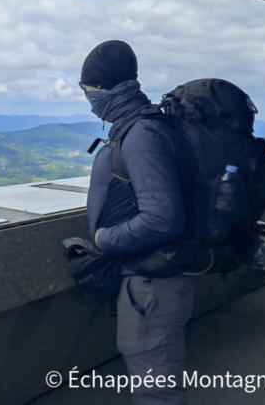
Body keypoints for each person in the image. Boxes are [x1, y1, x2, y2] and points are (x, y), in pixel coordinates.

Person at [80, 40, 194, 405]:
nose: (88, 99)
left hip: (152, 287)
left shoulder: (142, 134)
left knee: (156, 393)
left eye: (87, 89)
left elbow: (162, 218)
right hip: (149, 283)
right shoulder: (137, 125)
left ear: (105, 88)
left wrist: (105, 239)